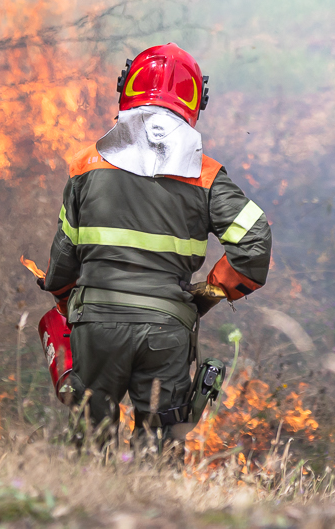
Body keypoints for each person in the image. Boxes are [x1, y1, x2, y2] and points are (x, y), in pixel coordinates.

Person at [41, 43, 272, 451]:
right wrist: (209, 294)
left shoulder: (85, 167)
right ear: (194, 100)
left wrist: (64, 303)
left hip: (96, 328)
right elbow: (254, 245)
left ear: (126, 88)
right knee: (160, 447)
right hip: (166, 334)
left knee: (91, 446)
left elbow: (63, 264)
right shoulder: (206, 176)